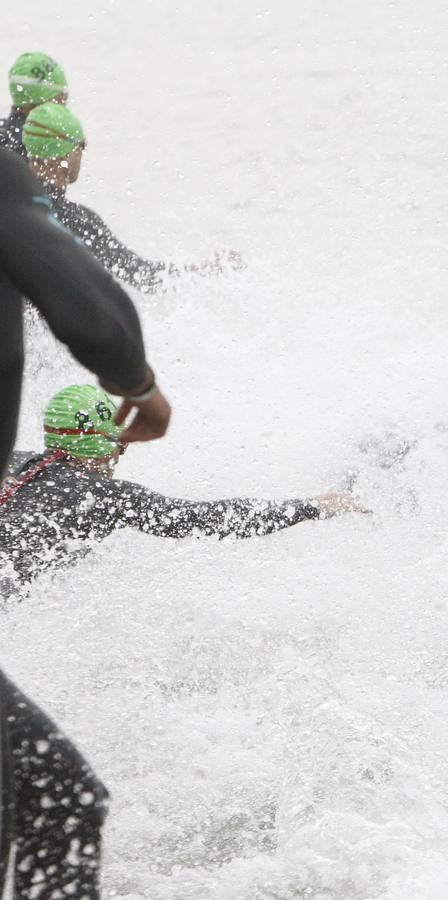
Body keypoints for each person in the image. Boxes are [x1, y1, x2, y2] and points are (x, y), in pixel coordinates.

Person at [1, 146, 171, 897]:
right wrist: (139, 384)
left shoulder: (30, 469)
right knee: (62, 802)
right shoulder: (96, 495)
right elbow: (85, 304)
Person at [0, 385, 362, 592]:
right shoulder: (101, 496)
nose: (119, 457)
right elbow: (204, 520)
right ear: (102, 444)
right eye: (120, 444)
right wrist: (310, 506)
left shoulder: (11, 461)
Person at [22, 102, 242, 292]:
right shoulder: (75, 221)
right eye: (82, 146)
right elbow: (142, 276)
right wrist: (204, 269)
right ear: (69, 153)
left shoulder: (11, 204)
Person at [1, 52, 67, 159]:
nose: (64, 105)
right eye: (61, 96)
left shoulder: (5, 133)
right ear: (45, 100)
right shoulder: (38, 147)